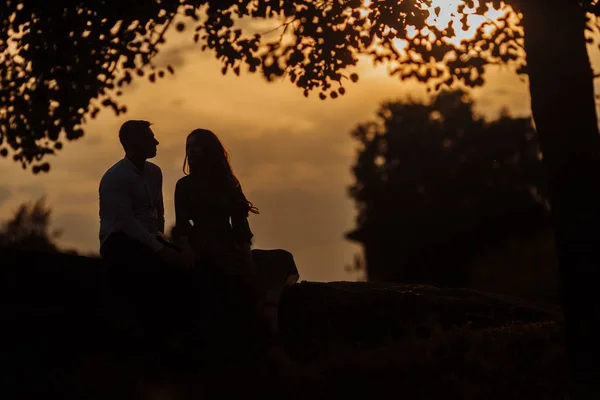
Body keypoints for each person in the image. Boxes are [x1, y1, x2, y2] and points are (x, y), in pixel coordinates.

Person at [173, 128, 300, 372]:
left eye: (196, 145)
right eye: (188, 146)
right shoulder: (185, 185)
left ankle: (271, 305)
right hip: (204, 248)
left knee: (284, 260)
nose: (190, 151)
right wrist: (186, 249)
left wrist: (246, 254)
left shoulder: (228, 183)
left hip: (229, 247)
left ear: (208, 150)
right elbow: (182, 224)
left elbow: (241, 225)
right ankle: (268, 341)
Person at [98, 120, 188, 352]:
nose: (156, 142)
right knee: (154, 272)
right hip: (119, 242)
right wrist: (159, 249)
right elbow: (124, 223)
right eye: (150, 138)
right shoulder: (115, 177)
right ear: (133, 143)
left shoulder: (154, 173)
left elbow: (158, 213)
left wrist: (160, 240)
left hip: (147, 239)